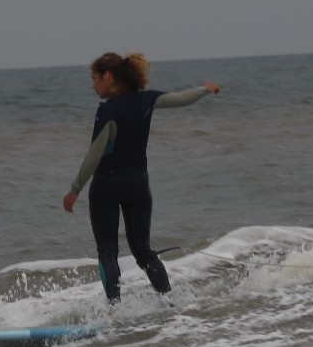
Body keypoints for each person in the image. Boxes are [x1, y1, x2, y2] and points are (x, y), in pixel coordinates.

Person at [62, 52, 219, 304]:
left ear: (107, 76)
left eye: (94, 79)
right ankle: (168, 302)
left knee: (107, 252)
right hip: (138, 185)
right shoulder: (147, 100)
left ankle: (114, 309)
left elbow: (94, 154)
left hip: (106, 186)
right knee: (143, 251)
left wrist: (74, 189)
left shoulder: (108, 110)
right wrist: (204, 89)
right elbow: (180, 99)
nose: (93, 86)